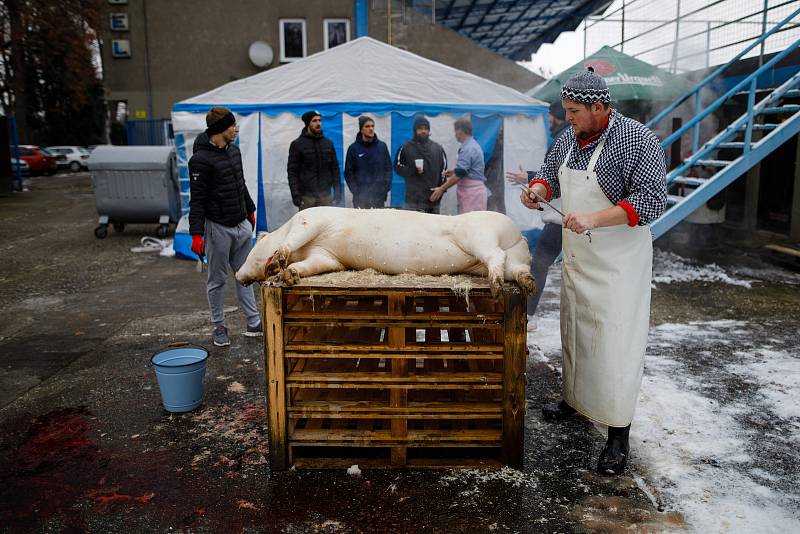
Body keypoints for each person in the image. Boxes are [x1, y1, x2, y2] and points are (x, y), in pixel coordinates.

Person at [520, 68, 667, 476]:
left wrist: (595, 219)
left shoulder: (637, 140)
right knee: (577, 331)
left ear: (599, 108)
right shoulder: (569, 138)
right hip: (580, 259)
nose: (567, 118)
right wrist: (538, 191)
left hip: (618, 264)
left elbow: (653, 201)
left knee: (614, 344)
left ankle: (618, 434)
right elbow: (550, 174)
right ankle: (574, 400)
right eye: (565, 110)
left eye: (573, 111)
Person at [189, 107, 262, 347]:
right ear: (220, 129)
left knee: (246, 276)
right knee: (217, 279)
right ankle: (219, 325)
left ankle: (253, 322)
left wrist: (249, 209)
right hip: (217, 228)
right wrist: (196, 233)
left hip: (240, 223)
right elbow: (197, 200)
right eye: (232, 126)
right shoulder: (200, 160)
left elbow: (240, 184)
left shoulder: (234, 151)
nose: (236, 129)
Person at [506, 100, 570, 331]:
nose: (549, 121)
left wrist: (531, 177)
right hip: (565, 215)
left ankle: (528, 315)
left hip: (561, 217)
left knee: (539, 264)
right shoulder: (567, 135)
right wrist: (532, 178)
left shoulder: (565, 137)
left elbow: (555, 175)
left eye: (550, 116)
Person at [431, 118, 488, 213]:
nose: (455, 134)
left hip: (472, 194)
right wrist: (454, 171)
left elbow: (460, 174)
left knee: (470, 224)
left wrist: (441, 188)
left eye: (455, 131)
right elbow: (469, 168)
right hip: (471, 193)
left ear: (460, 131)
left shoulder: (468, 148)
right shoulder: (471, 145)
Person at [287, 110, 342, 210]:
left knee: (326, 225)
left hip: (325, 196)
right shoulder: (297, 144)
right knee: (308, 225)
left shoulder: (328, 143)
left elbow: (335, 169)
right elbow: (292, 172)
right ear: (308, 123)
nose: (318, 123)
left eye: (320, 120)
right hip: (307, 197)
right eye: (314, 121)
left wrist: (338, 191)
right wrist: (295, 195)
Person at [393, 116, 447, 213]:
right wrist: (412, 170)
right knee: (413, 227)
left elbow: (444, 172)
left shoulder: (438, 148)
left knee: (433, 227)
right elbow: (397, 166)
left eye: (426, 129)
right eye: (420, 128)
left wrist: (441, 190)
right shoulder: (406, 147)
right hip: (413, 200)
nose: (423, 131)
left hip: (433, 200)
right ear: (415, 130)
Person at [344, 116, 392, 209]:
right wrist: (357, 191)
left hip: (378, 198)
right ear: (361, 129)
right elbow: (348, 173)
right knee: (360, 223)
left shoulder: (382, 146)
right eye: (367, 126)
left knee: (378, 223)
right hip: (360, 198)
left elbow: (388, 169)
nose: (371, 129)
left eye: (372, 126)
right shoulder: (353, 148)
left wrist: (384, 190)